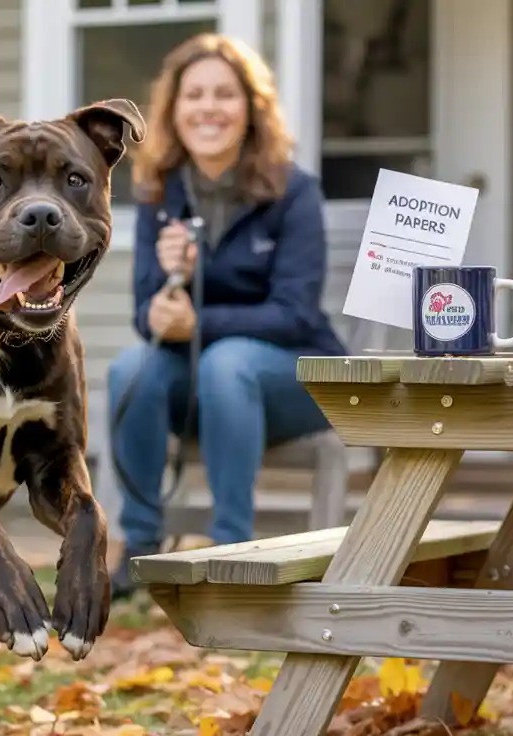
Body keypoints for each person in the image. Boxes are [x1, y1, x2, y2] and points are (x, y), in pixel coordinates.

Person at [106, 33, 347, 601]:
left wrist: (200, 324)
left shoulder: (294, 191)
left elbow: (293, 313)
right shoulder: (160, 191)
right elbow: (149, 318)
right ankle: (139, 547)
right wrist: (172, 285)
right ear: (174, 109)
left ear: (250, 109)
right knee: (128, 371)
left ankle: (230, 550)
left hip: (295, 380)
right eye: (194, 95)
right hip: (203, 384)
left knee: (226, 362)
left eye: (224, 94)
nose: (208, 108)